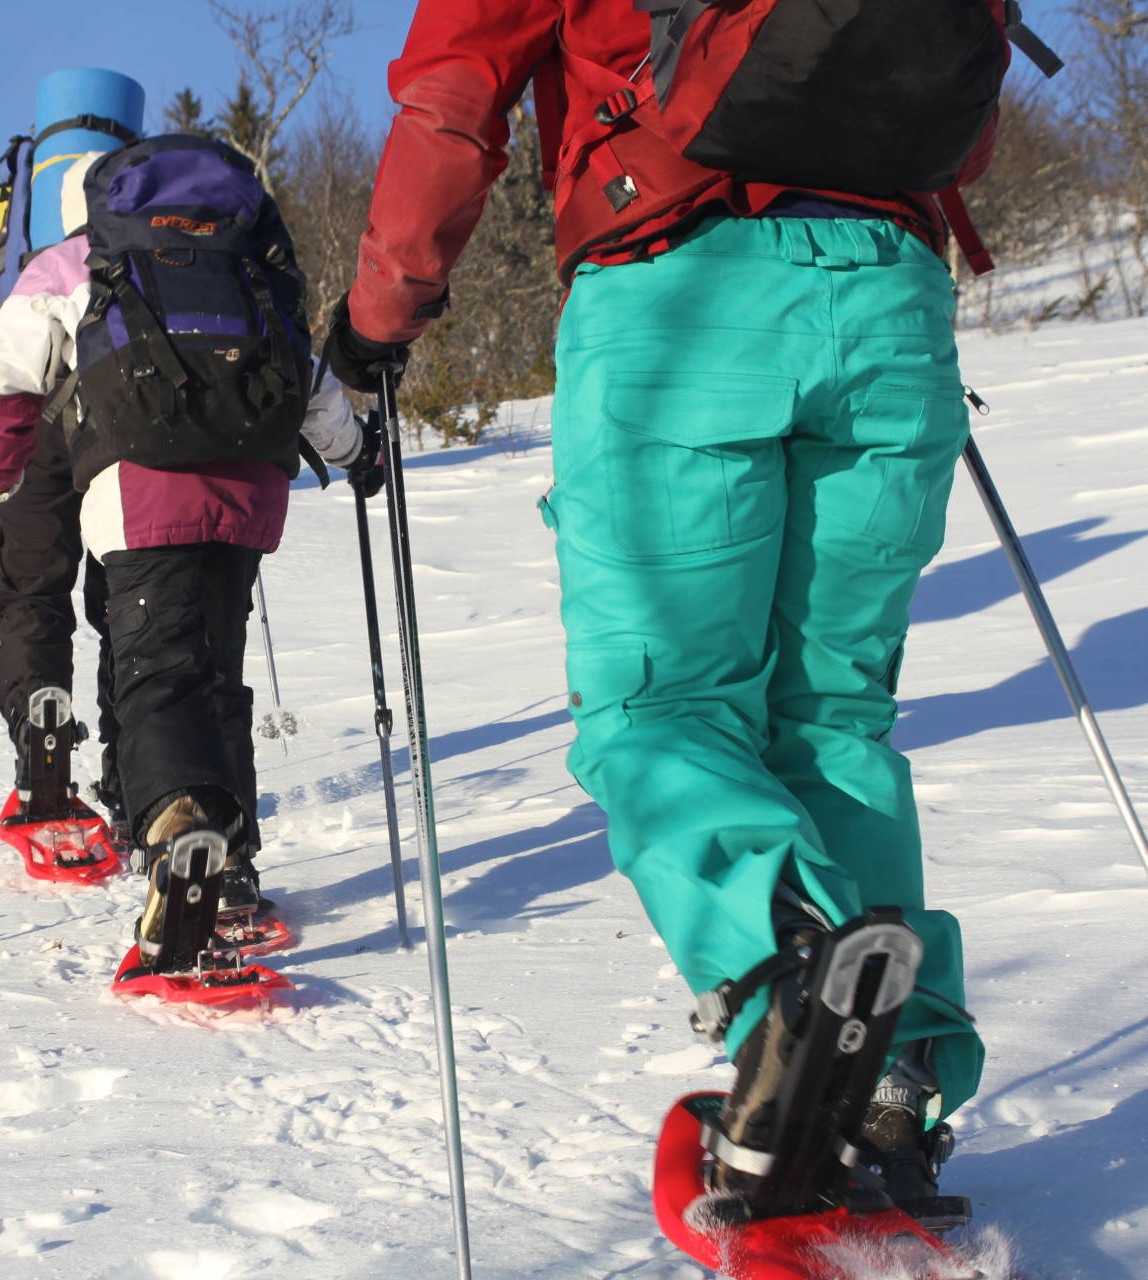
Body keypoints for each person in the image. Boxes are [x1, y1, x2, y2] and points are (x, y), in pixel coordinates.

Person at [326, 0, 999, 1229]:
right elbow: (962, 114)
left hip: (683, 302)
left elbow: (454, 97)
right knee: (835, 717)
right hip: (892, 303)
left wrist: (379, 319)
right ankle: (893, 1074)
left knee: (660, 709)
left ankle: (790, 973)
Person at [0, 136, 374, 970]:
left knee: (157, 673)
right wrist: (360, 453)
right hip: (251, 493)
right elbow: (307, 380)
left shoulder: (75, 264)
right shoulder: (241, 261)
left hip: (144, 488)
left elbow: (10, 374)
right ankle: (232, 868)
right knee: (215, 672)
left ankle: (180, 830)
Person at [0, 70, 145, 832]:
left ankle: (38, 722)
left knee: (27, 587)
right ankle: (135, 773)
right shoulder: (145, 194)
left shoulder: (6, 202)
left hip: (28, 406)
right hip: (125, 411)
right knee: (130, 597)